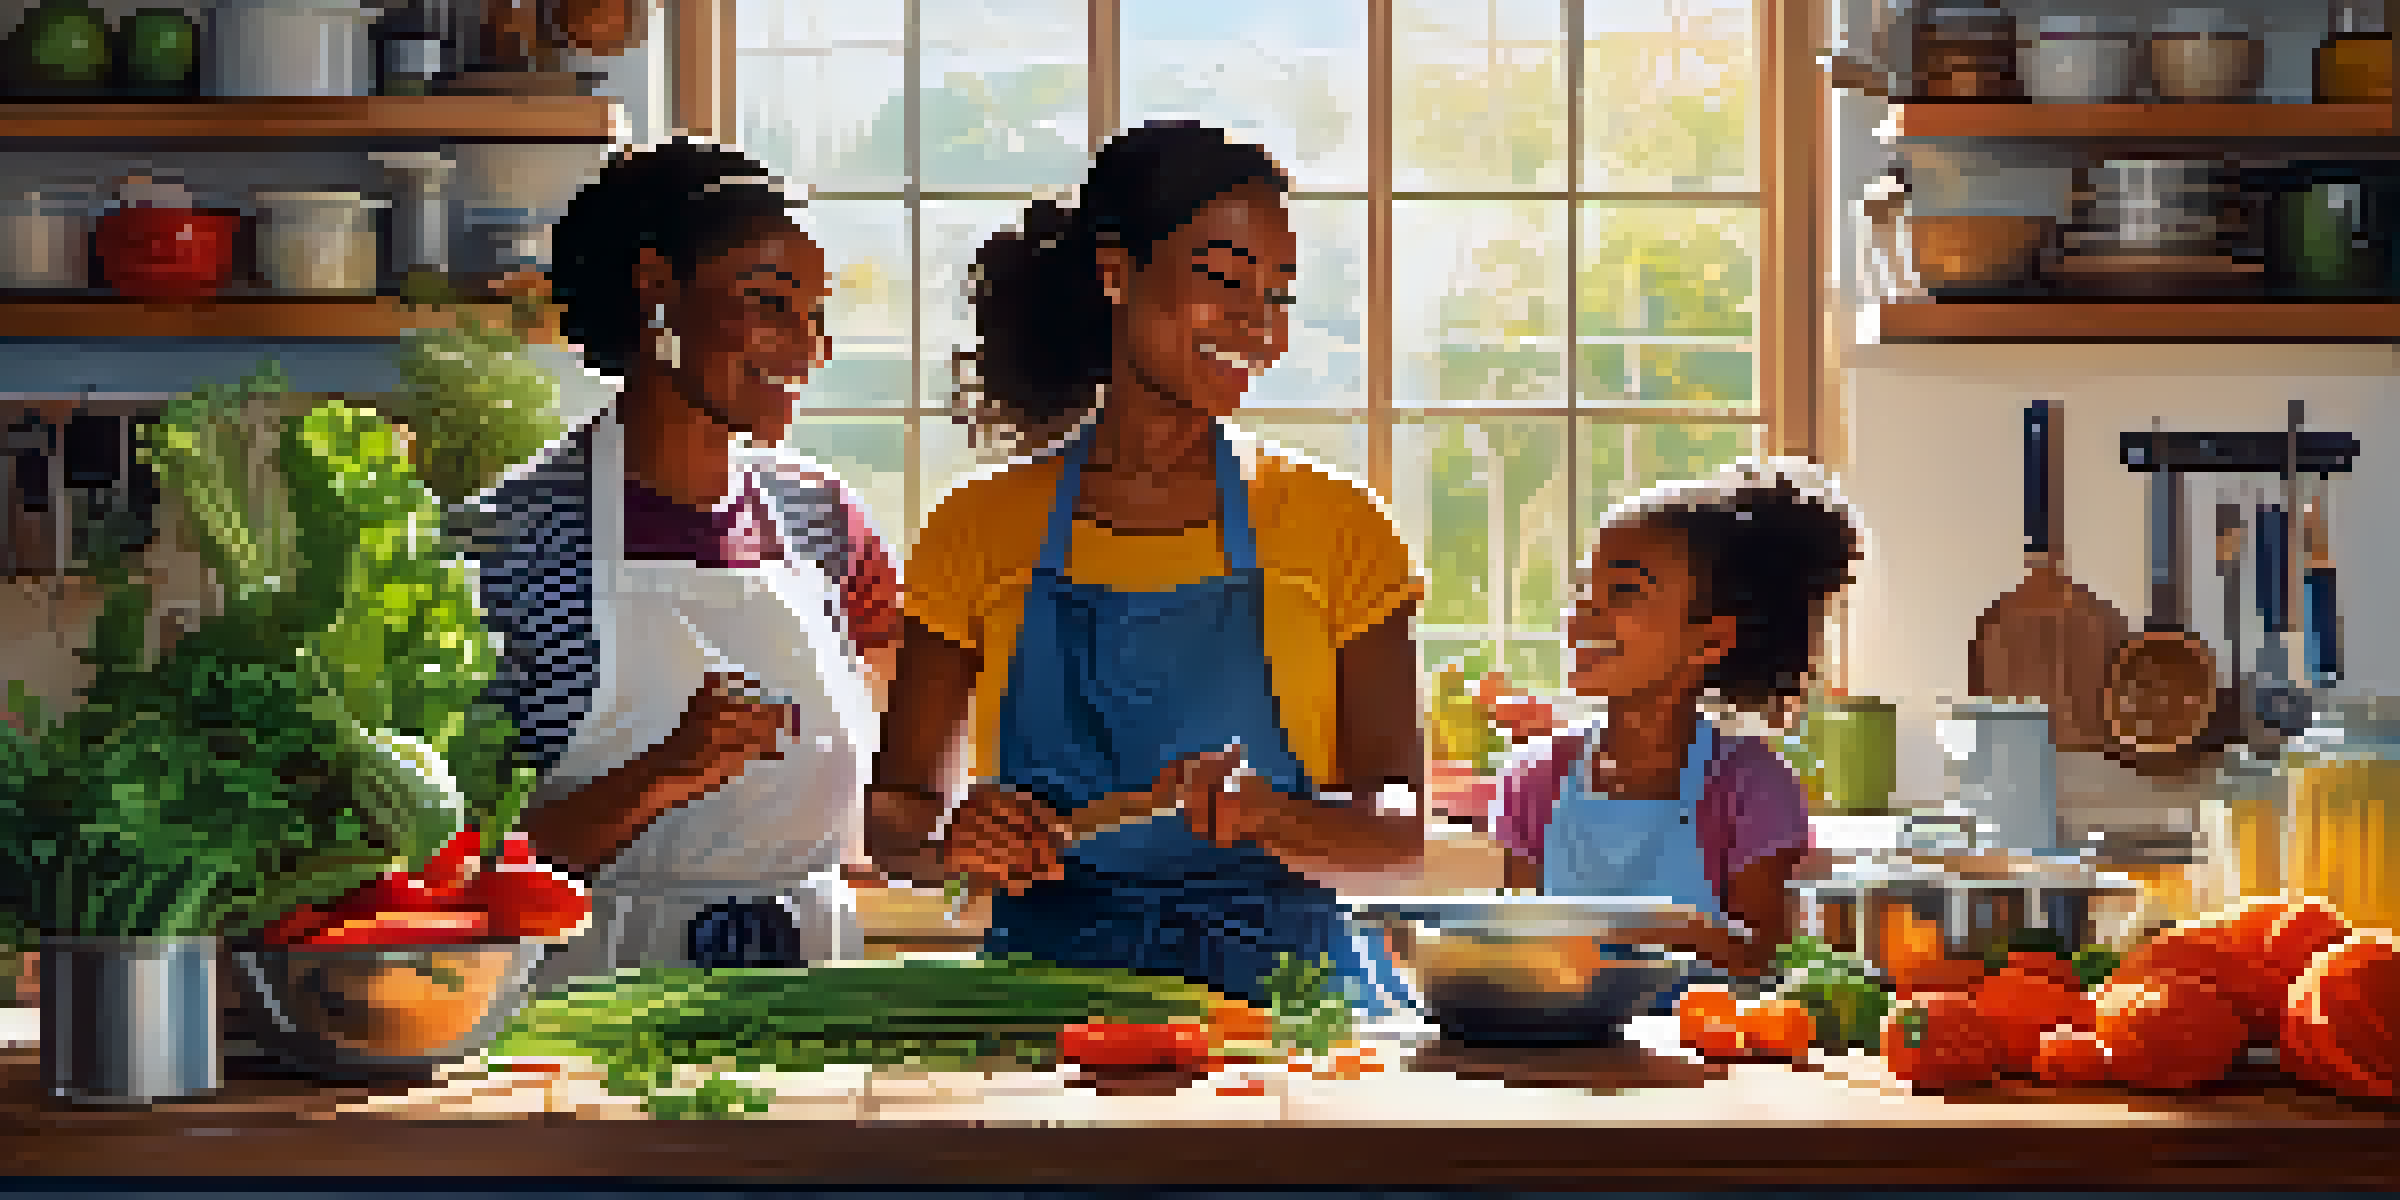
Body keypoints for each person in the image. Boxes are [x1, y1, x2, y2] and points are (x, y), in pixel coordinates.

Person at [865, 121, 1425, 1013]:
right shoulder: (976, 527)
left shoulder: (1337, 524)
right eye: (1220, 277)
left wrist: (1275, 816)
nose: (1257, 321)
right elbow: (894, 813)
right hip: (1048, 1008)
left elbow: (1400, 830)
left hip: (1286, 1008)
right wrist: (951, 839)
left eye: (1277, 293)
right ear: (1117, 273)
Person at [460, 138, 902, 985]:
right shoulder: (508, 545)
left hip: (812, 996)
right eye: (770, 304)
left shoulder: (825, 522)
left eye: (815, 316)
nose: (807, 346)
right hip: (589, 1012)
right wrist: (664, 774)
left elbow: (886, 796)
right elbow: (456, 866)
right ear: (656, 289)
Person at [1484, 461, 1862, 981]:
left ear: (1709, 641)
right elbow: (1515, 956)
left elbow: (1766, 964)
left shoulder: (1750, 787)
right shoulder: (1533, 780)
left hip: (1709, 1053)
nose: (1584, 614)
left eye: (1624, 592)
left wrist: (1647, 929)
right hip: (1560, 1050)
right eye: (1583, 588)